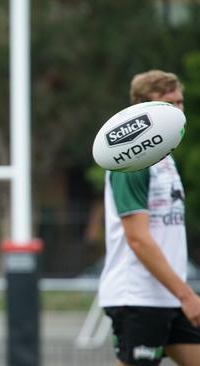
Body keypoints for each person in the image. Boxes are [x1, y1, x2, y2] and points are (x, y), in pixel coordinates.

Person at [99, 69, 200, 366]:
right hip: (139, 298)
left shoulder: (165, 158)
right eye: (168, 105)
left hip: (170, 296)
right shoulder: (132, 161)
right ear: (143, 112)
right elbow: (138, 239)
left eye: (180, 103)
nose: (178, 112)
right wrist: (186, 295)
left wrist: (181, 295)